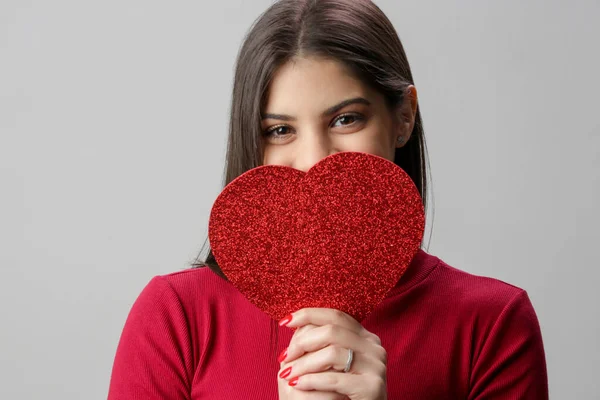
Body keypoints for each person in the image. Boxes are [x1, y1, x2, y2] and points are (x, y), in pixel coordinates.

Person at [108, 0, 549, 399]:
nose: (315, 160)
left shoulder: (493, 325)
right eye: (280, 130)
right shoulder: (175, 318)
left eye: (345, 119)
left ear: (404, 117)